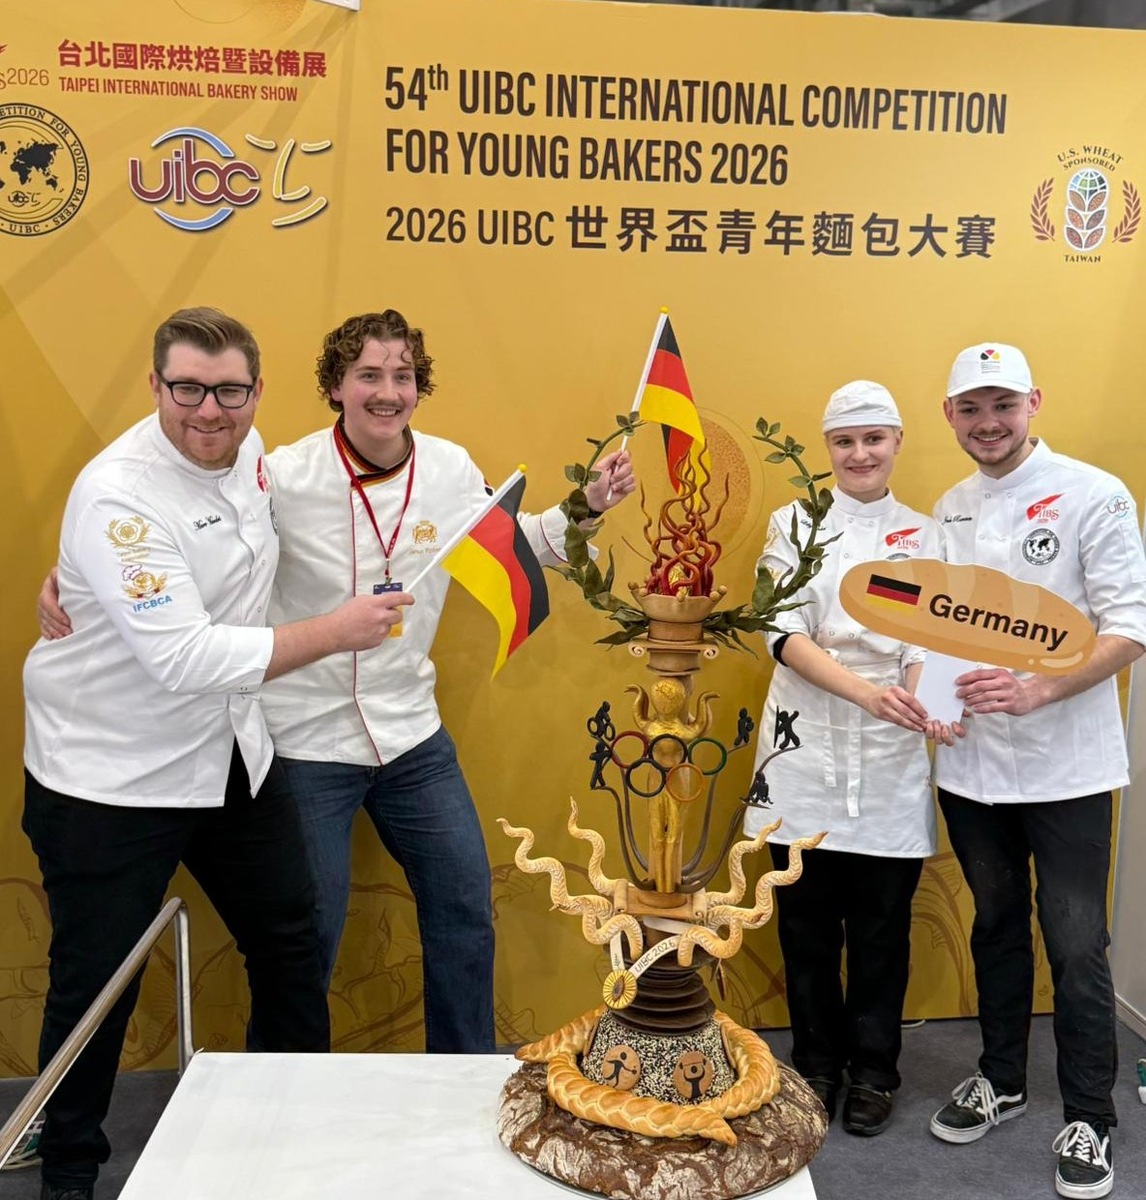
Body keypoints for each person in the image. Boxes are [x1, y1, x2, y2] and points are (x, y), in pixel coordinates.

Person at [22, 308, 412, 1200]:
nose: (209, 411)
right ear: (156, 386)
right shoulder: (117, 495)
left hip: (233, 753)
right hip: (111, 779)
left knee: (291, 943)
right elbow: (184, 657)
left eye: (229, 392)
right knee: (96, 989)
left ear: (256, 391)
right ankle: (70, 1173)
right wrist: (337, 632)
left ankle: (294, 1136)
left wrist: (72, 574)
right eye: (188, 389)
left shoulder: (250, 451)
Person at [260, 310, 634, 1053]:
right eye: (369, 374)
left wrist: (586, 506)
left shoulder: (451, 468)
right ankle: (283, 1087)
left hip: (410, 736)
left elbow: (511, 545)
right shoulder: (283, 475)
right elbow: (209, 551)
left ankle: (462, 1078)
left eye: (402, 376)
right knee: (307, 931)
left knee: (464, 908)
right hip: (305, 738)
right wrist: (85, 578)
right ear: (335, 386)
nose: (387, 392)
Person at [927, 342, 1146, 1200]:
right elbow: (939, 628)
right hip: (973, 765)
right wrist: (935, 699)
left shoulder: (1096, 493)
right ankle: (1003, 1079)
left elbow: (1130, 625)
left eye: (1003, 405)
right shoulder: (949, 507)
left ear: (1033, 403)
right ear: (950, 417)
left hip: (1069, 769)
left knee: (1077, 942)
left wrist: (1042, 687)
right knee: (994, 926)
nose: (988, 424)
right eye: (971, 409)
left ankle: (1090, 1115)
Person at [744, 380, 941, 1136]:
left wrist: (916, 698)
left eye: (874, 439)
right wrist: (866, 692)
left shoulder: (925, 534)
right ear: (828, 448)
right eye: (845, 441)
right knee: (807, 925)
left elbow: (929, 640)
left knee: (884, 927)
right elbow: (781, 630)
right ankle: (817, 1064)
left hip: (891, 748)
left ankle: (876, 1071)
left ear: (897, 442)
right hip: (807, 741)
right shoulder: (794, 522)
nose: (860, 454)